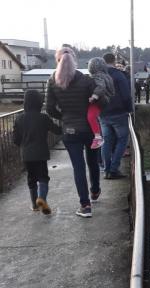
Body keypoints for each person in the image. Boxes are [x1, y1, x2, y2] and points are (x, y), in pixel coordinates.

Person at [46, 46, 100, 217]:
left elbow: (49, 109)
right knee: (92, 161)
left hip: (69, 130)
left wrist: (64, 117)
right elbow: (100, 101)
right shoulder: (85, 80)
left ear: (58, 60)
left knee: (78, 167)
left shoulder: (53, 81)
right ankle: (95, 190)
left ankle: (85, 206)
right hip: (89, 129)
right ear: (75, 60)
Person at [13, 90, 62, 214]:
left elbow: (16, 139)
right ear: (39, 102)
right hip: (41, 153)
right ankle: (42, 198)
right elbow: (57, 130)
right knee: (43, 177)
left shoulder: (19, 118)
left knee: (31, 178)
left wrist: (23, 146)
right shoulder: (43, 117)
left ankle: (34, 205)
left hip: (26, 154)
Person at [100, 52, 133, 180]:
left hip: (103, 114)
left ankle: (106, 170)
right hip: (119, 113)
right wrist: (129, 109)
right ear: (114, 61)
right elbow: (126, 95)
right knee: (122, 140)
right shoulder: (119, 75)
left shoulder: (99, 76)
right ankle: (114, 169)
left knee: (106, 142)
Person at [87, 57, 115, 150]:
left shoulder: (97, 76)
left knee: (91, 116)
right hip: (106, 101)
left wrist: (94, 96)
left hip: (99, 100)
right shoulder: (106, 76)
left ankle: (98, 137)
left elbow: (101, 87)